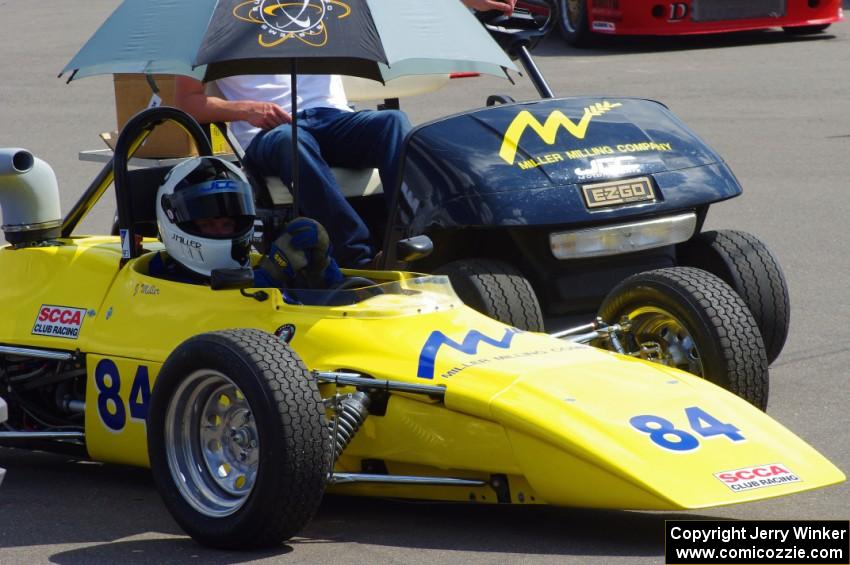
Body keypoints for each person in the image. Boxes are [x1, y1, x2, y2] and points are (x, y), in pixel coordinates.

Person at [174, 0, 516, 269]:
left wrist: (464, 2)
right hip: (269, 131)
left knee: (393, 122)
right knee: (293, 141)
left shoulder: (322, 5)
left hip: (331, 117)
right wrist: (247, 109)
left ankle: (416, 235)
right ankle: (356, 253)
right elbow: (187, 102)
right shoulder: (213, 18)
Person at [151, 155, 342, 290]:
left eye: (227, 224)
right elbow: (214, 305)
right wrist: (271, 274)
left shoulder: (255, 269)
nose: (220, 232)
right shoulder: (161, 284)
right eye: (208, 224)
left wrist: (320, 266)